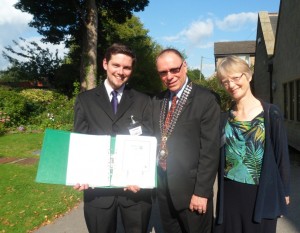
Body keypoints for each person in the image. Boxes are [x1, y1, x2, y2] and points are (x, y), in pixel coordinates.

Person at [73, 43, 153, 233]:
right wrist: (80, 173)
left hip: (135, 193)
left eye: (126, 67)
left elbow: (149, 140)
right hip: (98, 192)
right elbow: (80, 139)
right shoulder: (85, 100)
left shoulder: (143, 100)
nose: (121, 71)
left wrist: (141, 175)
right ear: (105, 64)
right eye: (116, 65)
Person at [214, 55, 290, 233]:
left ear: (248, 75)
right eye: (225, 81)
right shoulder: (224, 117)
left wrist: (284, 191)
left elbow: (281, 155)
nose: (231, 85)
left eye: (235, 77)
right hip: (230, 193)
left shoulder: (271, 113)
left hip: (261, 193)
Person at [152, 48, 220, 233]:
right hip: (164, 189)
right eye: (163, 72)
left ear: (185, 66)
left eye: (174, 69)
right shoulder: (157, 100)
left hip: (192, 192)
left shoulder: (206, 100)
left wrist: (201, 192)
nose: (170, 76)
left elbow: (210, 150)